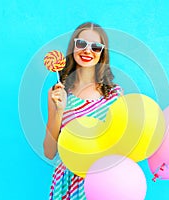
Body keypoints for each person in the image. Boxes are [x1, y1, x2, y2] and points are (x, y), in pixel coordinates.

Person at [43, 22, 123, 199]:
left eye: (95, 47)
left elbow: (121, 146)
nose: (87, 51)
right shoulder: (57, 92)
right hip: (68, 183)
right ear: (73, 46)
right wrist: (60, 110)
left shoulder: (115, 94)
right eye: (81, 44)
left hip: (103, 180)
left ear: (102, 53)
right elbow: (49, 152)